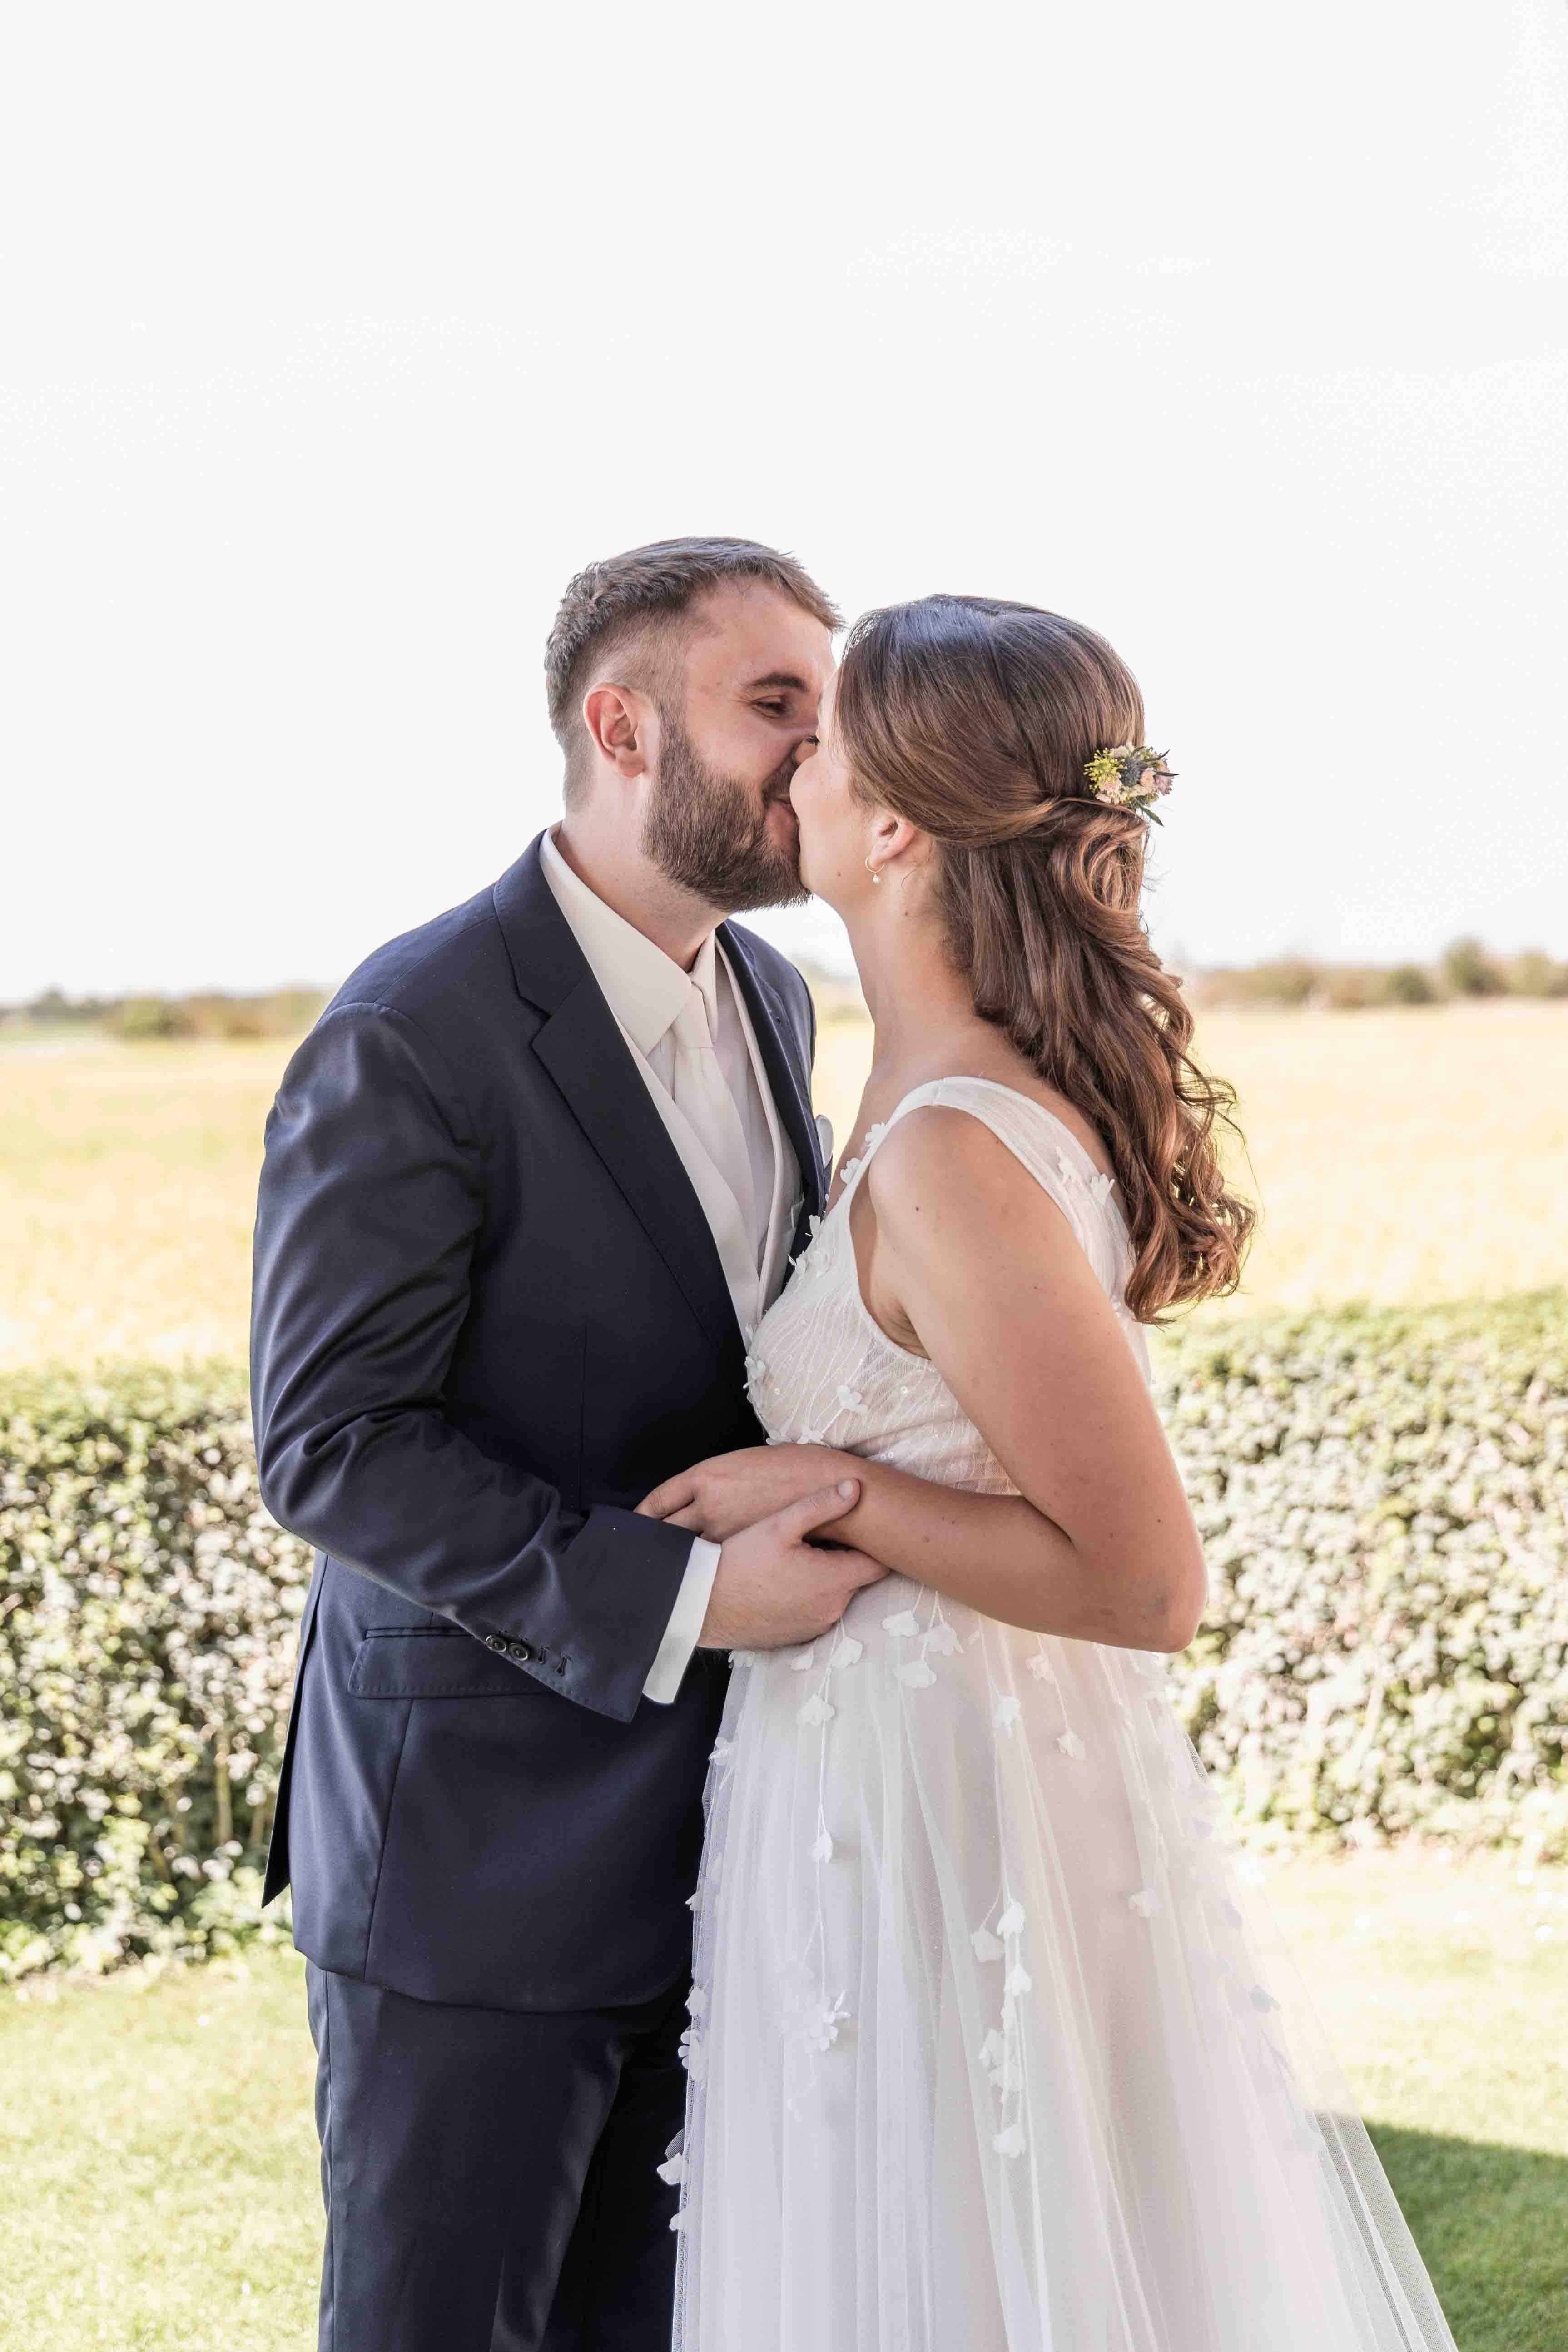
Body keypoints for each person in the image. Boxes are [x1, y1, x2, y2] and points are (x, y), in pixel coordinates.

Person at [642, 595, 1459, 2350]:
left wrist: (829, 1487)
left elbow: (1144, 1580)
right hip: (878, 1786)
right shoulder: (907, 1095)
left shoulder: (952, 1149)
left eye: (823, 739)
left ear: (894, 830)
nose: (792, 766)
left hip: (956, 1816)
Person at [249, 537, 889, 2352]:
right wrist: (685, 1595)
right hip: (474, 1862)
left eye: (827, 706)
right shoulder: (412, 1027)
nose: (820, 750)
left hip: (721, 1842)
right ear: (623, 727)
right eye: (774, 703)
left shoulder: (775, 995)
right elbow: (334, 1443)